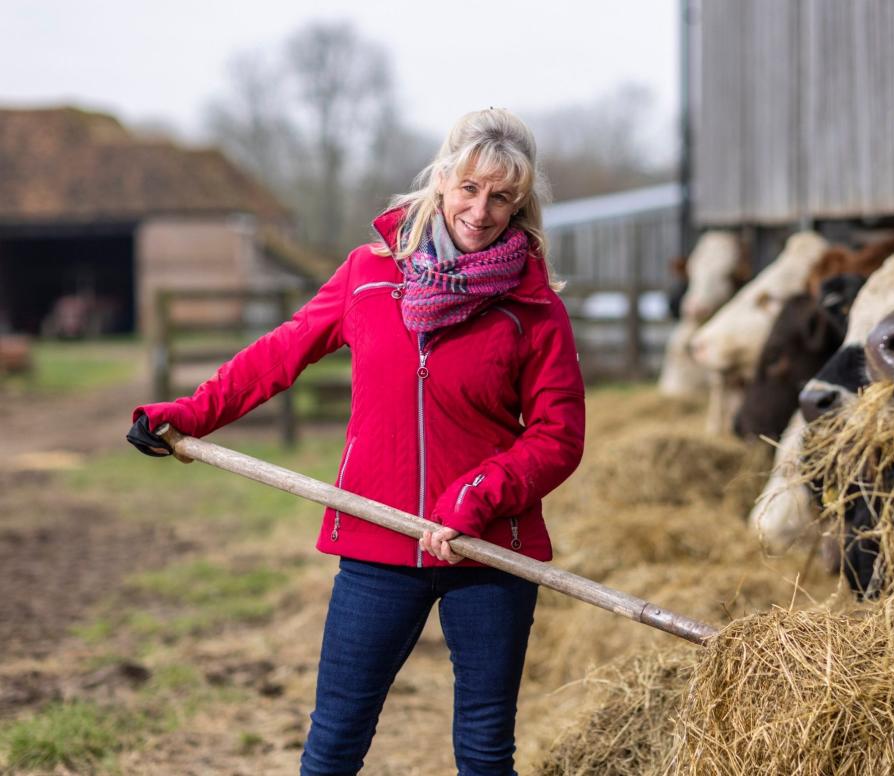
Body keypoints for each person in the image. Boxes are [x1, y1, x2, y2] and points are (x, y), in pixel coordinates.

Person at [126, 108, 586, 775]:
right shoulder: (368, 276)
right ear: (440, 179)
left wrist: (480, 495)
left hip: (490, 552)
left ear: (521, 205)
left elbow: (559, 435)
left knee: (486, 753)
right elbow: (278, 355)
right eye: (468, 188)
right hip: (377, 543)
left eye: (501, 197)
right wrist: (191, 413)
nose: (480, 210)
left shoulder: (533, 308)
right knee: (334, 744)